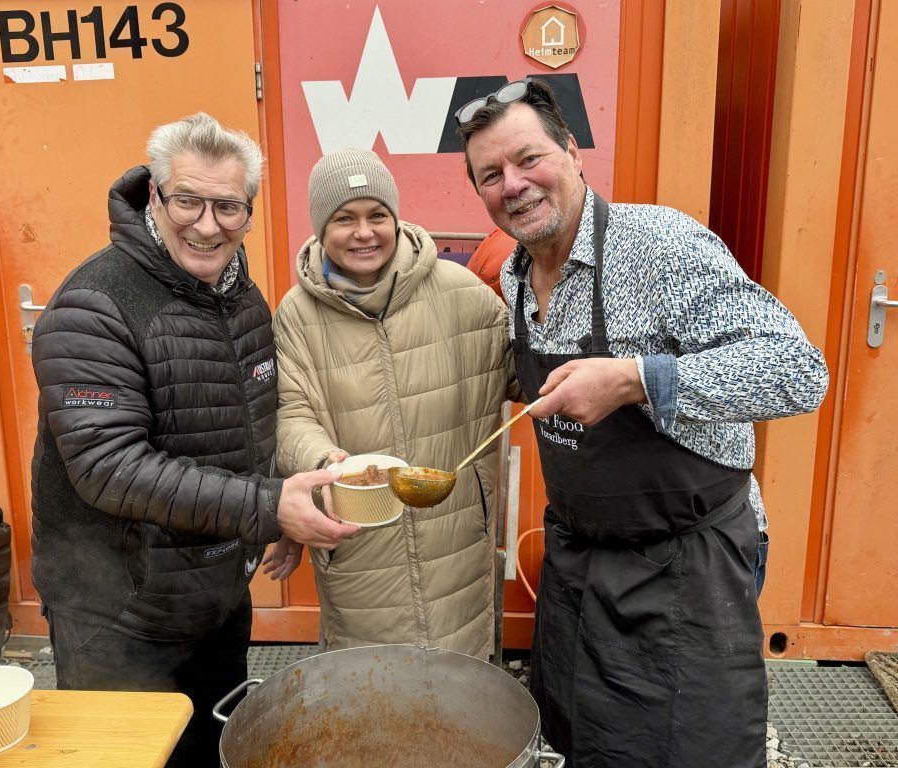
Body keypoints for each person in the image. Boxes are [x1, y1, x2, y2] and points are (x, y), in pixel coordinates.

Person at [456, 79, 828, 768]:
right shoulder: (513, 275)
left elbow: (797, 370)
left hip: (686, 563)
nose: (514, 185)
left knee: (689, 750)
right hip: (581, 560)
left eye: (529, 159)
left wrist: (635, 379)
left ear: (572, 151)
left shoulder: (658, 245)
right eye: (491, 174)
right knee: (588, 740)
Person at [29, 112, 357, 767]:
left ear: (248, 212)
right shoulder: (95, 304)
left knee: (217, 749)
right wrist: (269, 506)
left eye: (228, 207)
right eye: (188, 201)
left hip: (216, 600)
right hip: (119, 615)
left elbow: (249, 426)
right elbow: (109, 468)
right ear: (154, 195)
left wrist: (281, 508)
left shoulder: (241, 296)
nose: (207, 226)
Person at [265, 148, 520, 659]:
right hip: (357, 535)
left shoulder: (461, 291)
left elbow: (525, 378)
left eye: (377, 215)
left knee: (460, 680)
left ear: (396, 218)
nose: (364, 233)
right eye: (345, 219)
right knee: (369, 684)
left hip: (456, 535)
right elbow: (290, 413)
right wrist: (328, 464)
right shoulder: (296, 314)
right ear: (320, 227)